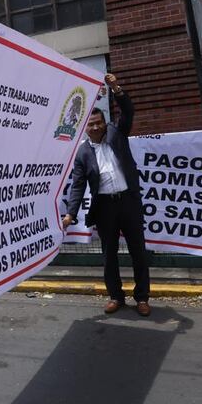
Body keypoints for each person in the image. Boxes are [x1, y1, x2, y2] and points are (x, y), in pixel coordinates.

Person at [62, 73, 151, 316]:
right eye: (90, 124)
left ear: (104, 122)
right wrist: (70, 214)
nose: (95, 127)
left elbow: (128, 111)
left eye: (99, 122)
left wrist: (116, 89)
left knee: (138, 252)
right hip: (105, 209)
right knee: (109, 255)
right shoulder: (82, 154)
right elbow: (78, 185)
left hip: (128, 202)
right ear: (84, 128)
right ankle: (115, 296)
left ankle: (142, 297)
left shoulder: (117, 133)